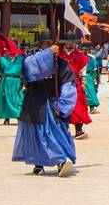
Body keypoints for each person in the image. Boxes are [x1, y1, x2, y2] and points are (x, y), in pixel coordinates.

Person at [13, 39, 77, 176]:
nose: (49, 47)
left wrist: (64, 104)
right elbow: (29, 70)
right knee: (37, 134)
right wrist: (48, 53)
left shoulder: (61, 63)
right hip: (34, 102)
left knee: (57, 132)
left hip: (53, 103)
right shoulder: (31, 60)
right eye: (45, 45)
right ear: (41, 46)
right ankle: (38, 163)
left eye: (51, 45)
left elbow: (68, 84)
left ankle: (61, 160)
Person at [62, 43, 94, 138]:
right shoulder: (58, 54)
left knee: (78, 106)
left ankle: (78, 129)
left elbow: (83, 71)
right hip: (61, 83)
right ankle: (63, 130)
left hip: (75, 83)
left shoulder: (79, 56)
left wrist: (83, 82)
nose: (71, 44)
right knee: (62, 107)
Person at [0, 47, 25, 125]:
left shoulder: (20, 59)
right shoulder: (2, 59)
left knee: (18, 98)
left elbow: (23, 71)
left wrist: (24, 82)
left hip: (16, 80)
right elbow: (0, 71)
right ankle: (6, 118)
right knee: (6, 98)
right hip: (6, 80)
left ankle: (18, 116)